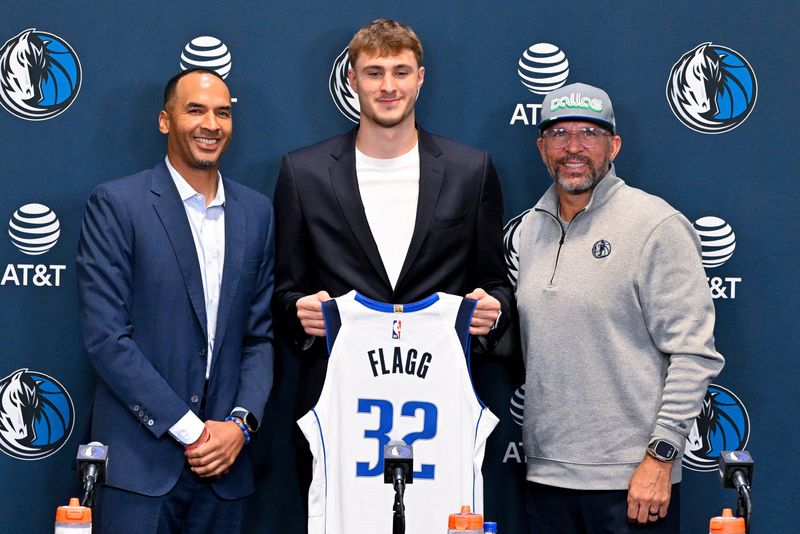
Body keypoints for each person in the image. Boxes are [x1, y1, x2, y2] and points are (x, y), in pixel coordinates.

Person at [273, 18, 512, 505]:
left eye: (400, 72)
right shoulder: (305, 172)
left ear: (420, 79)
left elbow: (494, 281)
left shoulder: (471, 170)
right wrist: (298, 312)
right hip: (337, 407)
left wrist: (494, 309)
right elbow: (284, 291)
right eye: (374, 72)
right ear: (352, 80)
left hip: (441, 403)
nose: (388, 87)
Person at [515, 82, 724, 532]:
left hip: (633, 484)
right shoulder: (528, 231)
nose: (574, 148)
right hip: (545, 477)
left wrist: (660, 457)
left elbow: (694, 353)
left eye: (589, 133)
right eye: (560, 134)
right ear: (541, 147)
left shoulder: (656, 225)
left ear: (614, 145)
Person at [76, 68, 275, 534]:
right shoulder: (118, 204)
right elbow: (107, 339)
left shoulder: (258, 213)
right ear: (165, 121)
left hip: (227, 473)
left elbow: (259, 337)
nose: (211, 123)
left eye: (222, 112)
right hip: (140, 470)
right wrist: (192, 429)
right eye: (196, 110)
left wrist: (240, 426)